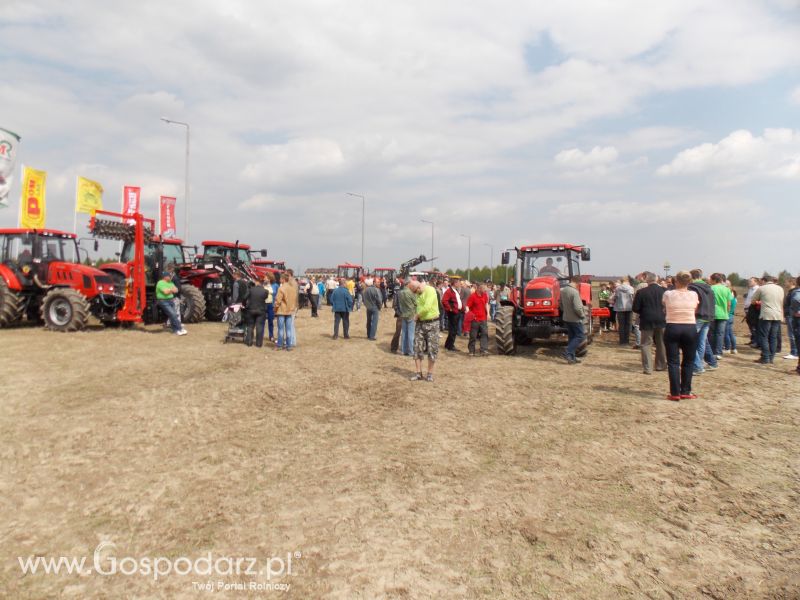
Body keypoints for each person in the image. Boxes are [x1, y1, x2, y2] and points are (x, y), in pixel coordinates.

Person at [662, 271, 700, 401]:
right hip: (689, 327)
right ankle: (686, 391)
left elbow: (664, 305)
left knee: (673, 362)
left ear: (676, 281)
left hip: (672, 326)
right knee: (689, 361)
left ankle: (674, 392)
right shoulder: (694, 294)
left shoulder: (668, 293)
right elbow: (695, 309)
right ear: (689, 282)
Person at [632, 271, 667, 374]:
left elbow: (635, 308)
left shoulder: (641, 292)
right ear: (657, 280)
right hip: (662, 319)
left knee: (646, 344)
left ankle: (648, 368)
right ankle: (660, 365)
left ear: (647, 280)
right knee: (661, 343)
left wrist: (643, 311)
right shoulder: (664, 291)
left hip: (646, 319)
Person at [408, 279, 440, 382]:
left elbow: (427, 307)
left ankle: (429, 374)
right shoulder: (418, 293)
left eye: (415, 291)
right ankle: (418, 373)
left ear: (418, 287)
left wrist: (417, 316)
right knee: (417, 347)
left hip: (432, 323)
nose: (415, 294)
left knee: (432, 349)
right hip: (420, 323)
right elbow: (418, 306)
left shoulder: (430, 290)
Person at [751, 274, 785, 364]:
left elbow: (753, 301)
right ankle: (771, 358)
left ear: (763, 280)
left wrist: (761, 301)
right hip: (777, 315)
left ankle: (765, 357)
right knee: (773, 337)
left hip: (766, 315)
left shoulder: (762, 288)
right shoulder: (780, 288)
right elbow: (781, 302)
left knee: (764, 336)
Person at [688, 269, 717, 374]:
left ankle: (697, 366)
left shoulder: (692, 287)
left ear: (691, 277)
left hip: (698, 316)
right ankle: (699, 363)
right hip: (708, 316)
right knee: (702, 341)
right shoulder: (709, 287)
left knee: (689, 341)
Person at [559, 275, 586, 364]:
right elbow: (578, 308)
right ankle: (567, 351)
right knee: (580, 336)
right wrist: (582, 315)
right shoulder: (574, 292)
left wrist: (566, 311)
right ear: (578, 283)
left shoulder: (563, 290)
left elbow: (561, 304)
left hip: (567, 318)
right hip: (575, 319)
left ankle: (571, 357)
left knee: (572, 337)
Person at [156, 271, 187, 336]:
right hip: (163, 301)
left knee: (173, 315)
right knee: (173, 314)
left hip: (171, 300)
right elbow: (165, 292)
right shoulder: (160, 283)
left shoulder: (171, 282)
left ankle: (176, 330)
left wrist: (170, 290)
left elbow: (176, 290)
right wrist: (171, 290)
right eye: (169, 276)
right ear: (165, 277)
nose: (170, 277)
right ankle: (179, 329)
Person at [710, 273, 732, 359]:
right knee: (720, 334)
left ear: (714, 280)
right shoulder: (726, 289)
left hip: (713, 314)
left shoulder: (711, 288)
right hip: (723, 314)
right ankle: (718, 352)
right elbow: (729, 303)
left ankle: (712, 351)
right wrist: (727, 312)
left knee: (712, 334)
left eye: (711, 280)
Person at [273, 273, 297, 351]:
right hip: (290, 311)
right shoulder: (292, 288)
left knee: (280, 329)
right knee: (289, 329)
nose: (279, 280)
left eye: (280, 278)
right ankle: (289, 346)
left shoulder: (281, 288)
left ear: (283, 279)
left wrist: (275, 308)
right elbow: (294, 300)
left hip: (281, 311)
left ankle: (279, 345)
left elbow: (278, 301)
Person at [466, 282, 490, 356]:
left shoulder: (485, 295)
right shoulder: (473, 296)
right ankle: (471, 351)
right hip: (475, 319)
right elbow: (467, 306)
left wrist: (488, 314)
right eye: (484, 289)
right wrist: (468, 314)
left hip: (483, 318)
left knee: (484, 334)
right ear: (479, 289)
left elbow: (486, 304)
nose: (485, 291)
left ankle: (484, 349)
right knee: (473, 335)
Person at [244, 278, 268, 347]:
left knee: (250, 326)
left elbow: (244, 297)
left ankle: (249, 342)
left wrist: (245, 304)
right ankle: (259, 343)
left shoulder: (251, 290)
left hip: (251, 309)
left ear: (256, 282)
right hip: (261, 310)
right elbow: (265, 298)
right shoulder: (265, 291)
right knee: (259, 326)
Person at [441, 279, 463, 351]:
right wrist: (450, 309)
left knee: (453, 329)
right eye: (458, 283)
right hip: (453, 313)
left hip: (457, 312)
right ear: (455, 283)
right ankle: (451, 346)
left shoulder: (454, 290)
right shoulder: (449, 291)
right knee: (453, 330)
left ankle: (448, 344)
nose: (459, 284)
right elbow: (444, 300)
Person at [612, 278, 634, 345]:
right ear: (627, 281)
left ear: (622, 281)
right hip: (629, 308)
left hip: (620, 308)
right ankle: (627, 341)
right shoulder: (631, 288)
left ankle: (622, 341)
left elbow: (615, 297)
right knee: (628, 324)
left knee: (621, 325)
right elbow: (633, 297)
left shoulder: (618, 288)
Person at [398, 281, 417, 356]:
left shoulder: (400, 292)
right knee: (411, 334)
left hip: (403, 314)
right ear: (408, 284)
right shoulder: (410, 293)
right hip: (410, 315)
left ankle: (403, 350)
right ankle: (410, 351)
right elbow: (416, 303)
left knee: (404, 333)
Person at [784, 278, 799, 360]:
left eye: (786, 281)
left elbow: (793, 304)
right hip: (789, 315)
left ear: (791, 282)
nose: (785, 283)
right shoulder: (790, 291)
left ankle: (794, 352)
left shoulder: (794, 292)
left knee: (792, 334)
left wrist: (790, 313)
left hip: (791, 316)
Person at [724, 289, 738, 354]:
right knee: (731, 333)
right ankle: (734, 348)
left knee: (726, 333)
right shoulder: (735, 299)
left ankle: (727, 348)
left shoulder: (730, 300)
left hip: (728, 316)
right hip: (731, 316)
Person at [266, 272, 277, 342]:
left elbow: (278, 295)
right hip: (264, 304)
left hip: (271, 305)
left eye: (266, 277)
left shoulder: (275, 285)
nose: (265, 278)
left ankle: (271, 335)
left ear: (270, 278)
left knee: (270, 321)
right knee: (262, 321)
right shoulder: (264, 285)